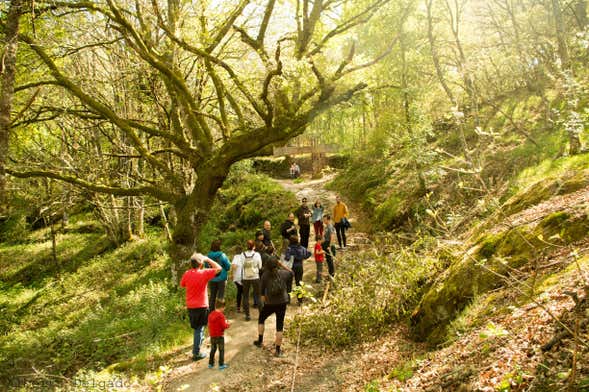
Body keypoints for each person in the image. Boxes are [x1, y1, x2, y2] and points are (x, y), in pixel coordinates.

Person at [180, 253, 222, 361]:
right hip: (202, 305)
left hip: (190, 306)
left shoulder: (187, 273)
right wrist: (208, 259)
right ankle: (196, 353)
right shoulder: (204, 273)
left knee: (197, 328)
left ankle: (197, 348)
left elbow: (182, 284)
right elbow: (219, 268)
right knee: (199, 329)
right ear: (201, 263)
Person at [254, 256, 294, 357]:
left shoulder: (265, 275)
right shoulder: (283, 273)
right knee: (279, 326)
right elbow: (291, 273)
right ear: (277, 264)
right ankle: (278, 350)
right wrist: (282, 265)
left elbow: (262, 293)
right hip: (282, 302)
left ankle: (260, 340)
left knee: (261, 318)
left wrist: (265, 303)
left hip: (270, 303)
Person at [237, 240, 263, 321]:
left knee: (245, 296)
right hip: (255, 277)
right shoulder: (257, 254)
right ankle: (261, 315)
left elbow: (241, 266)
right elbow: (260, 266)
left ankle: (247, 315)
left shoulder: (242, 254)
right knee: (258, 296)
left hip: (245, 277)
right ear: (254, 246)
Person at [284, 235, 312, 304]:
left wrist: (291, 257)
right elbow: (308, 254)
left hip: (290, 268)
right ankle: (300, 300)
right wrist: (302, 258)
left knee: (289, 284)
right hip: (299, 266)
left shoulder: (289, 249)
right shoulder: (301, 248)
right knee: (299, 283)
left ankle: (288, 300)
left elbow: (286, 258)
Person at [206, 239, 232, 311]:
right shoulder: (222, 255)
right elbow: (228, 266)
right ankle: (219, 313)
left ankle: (211, 313)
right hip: (222, 278)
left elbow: (206, 266)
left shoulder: (208, 256)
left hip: (212, 278)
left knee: (212, 296)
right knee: (221, 296)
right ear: (219, 247)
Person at [207, 299, 230, 370]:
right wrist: (228, 324)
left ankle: (210, 363)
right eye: (224, 308)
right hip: (220, 336)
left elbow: (209, 325)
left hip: (212, 335)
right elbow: (223, 326)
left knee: (213, 349)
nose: (224, 309)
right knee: (221, 350)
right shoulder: (221, 316)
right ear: (222, 307)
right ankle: (221, 364)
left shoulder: (210, 314)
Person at [231, 245, 244, 313]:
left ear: (236, 251)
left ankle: (238, 308)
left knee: (239, 292)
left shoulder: (236, 257)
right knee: (244, 292)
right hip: (245, 277)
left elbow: (234, 266)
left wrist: (231, 273)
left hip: (238, 277)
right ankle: (245, 307)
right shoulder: (244, 256)